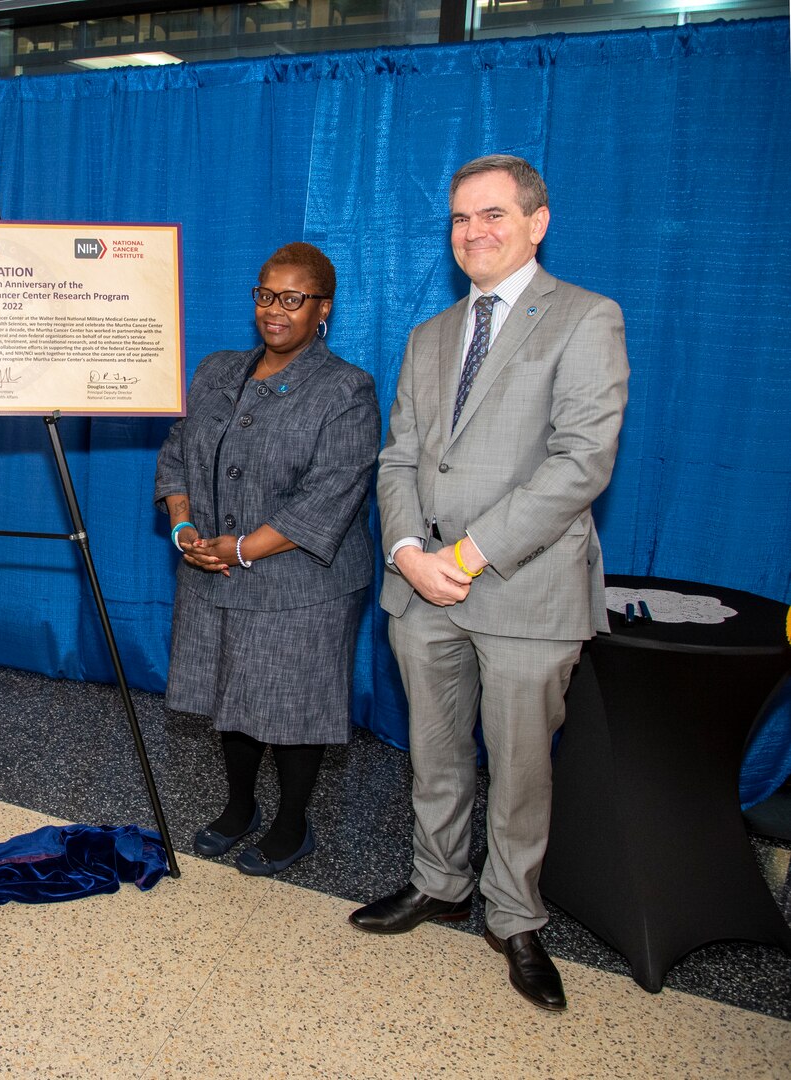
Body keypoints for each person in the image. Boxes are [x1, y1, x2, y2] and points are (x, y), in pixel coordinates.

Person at [352, 155, 628, 1013]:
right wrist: (405, 551)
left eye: (494, 215)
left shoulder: (586, 318)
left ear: (537, 222)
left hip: (524, 590)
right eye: (461, 219)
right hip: (419, 587)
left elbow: (581, 462)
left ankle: (513, 917)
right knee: (435, 756)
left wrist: (465, 558)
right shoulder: (430, 334)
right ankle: (440, 884)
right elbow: (397, 457)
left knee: (518, 770)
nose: (474, 232)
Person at [155, 242, 379, 877]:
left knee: (292, 705)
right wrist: (185, 530)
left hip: (303, 580)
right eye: (264, 295)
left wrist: (243, 548)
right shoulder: (217, 370)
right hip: (211, 564)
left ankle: (291, 822)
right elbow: (178, 451)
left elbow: (333, 492)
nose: (273, 311)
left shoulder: (345, 389)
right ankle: (239, 807)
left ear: (322, 308)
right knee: (230, 691)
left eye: (291, 299)